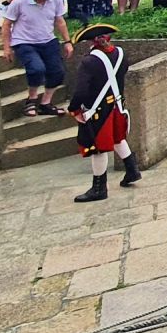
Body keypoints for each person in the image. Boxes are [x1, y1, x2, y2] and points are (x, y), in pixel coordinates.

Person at [67, 22, 140, 202]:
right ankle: (132, 170)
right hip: (117, 106)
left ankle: (99, 189)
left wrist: (74, 109)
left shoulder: (89, 61)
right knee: (117, 138)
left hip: (98, 111)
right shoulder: (121, 54)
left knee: (98, 148)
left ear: (92, 42)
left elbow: (81, 91)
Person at [0, 0, 73, 117]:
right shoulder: (20, 2)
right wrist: (7, 47)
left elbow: (60, 21)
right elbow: (7, 24)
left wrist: (67, 41)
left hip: (48, 39)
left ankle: (46, 102)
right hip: (24, 41)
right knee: (36, 69)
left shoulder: (56, 0)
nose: (43, 0)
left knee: (57, 72)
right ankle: (31, 99)